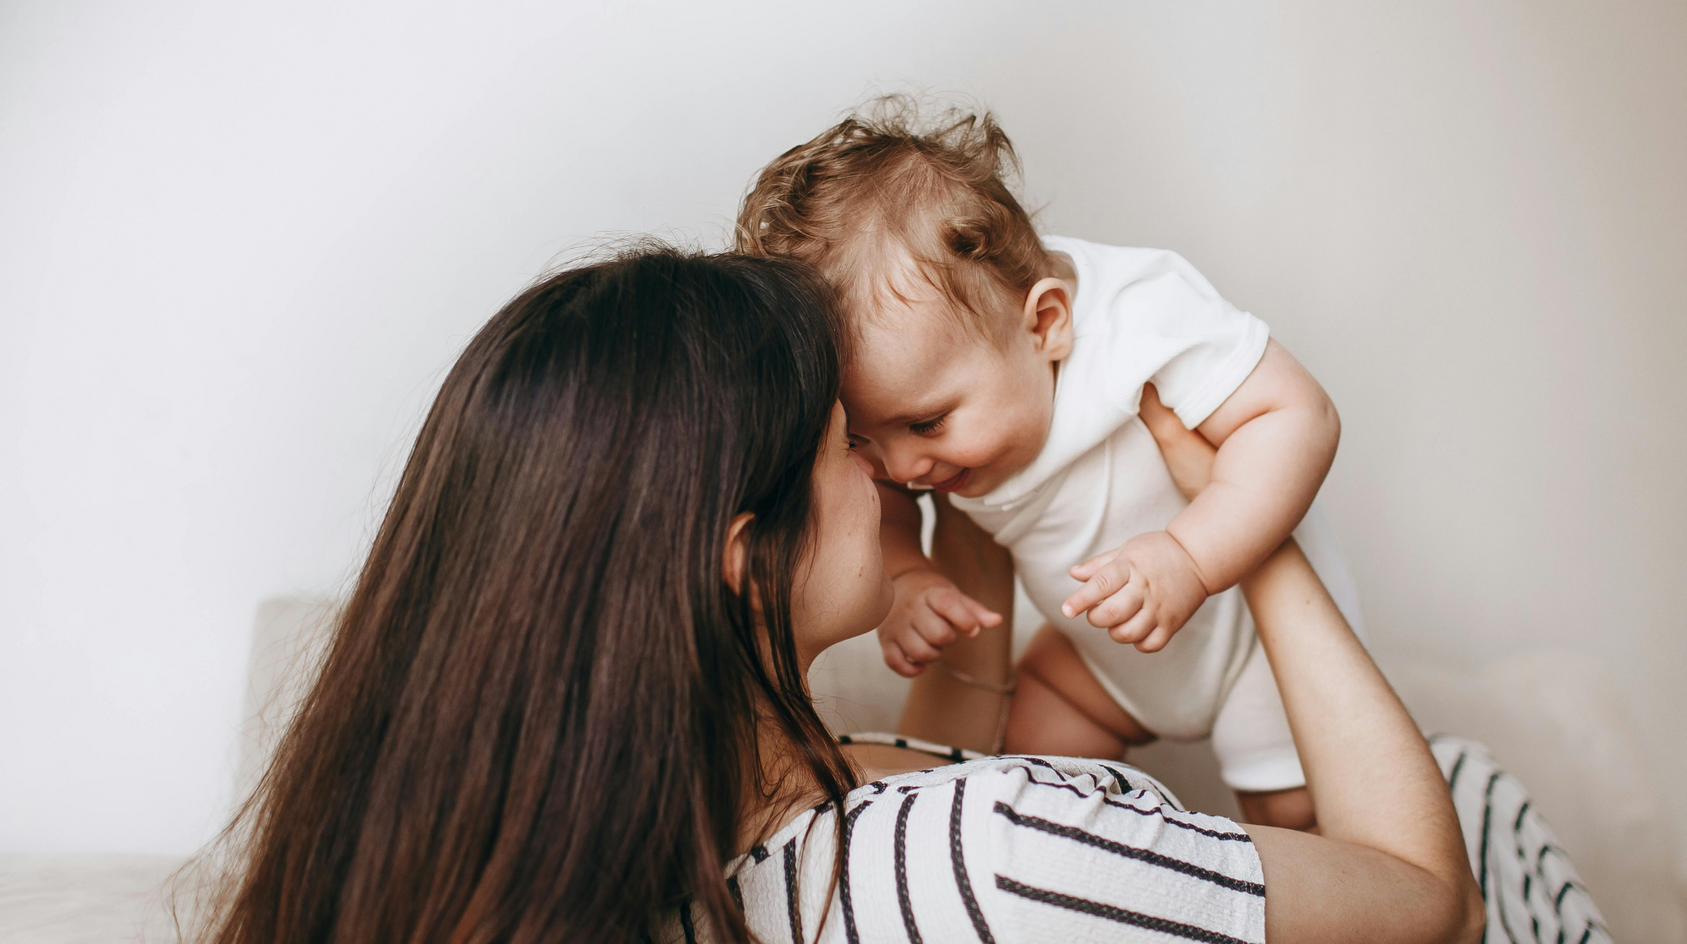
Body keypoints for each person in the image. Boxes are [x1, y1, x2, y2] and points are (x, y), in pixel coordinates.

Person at [189, 242, 1518, 944]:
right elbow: (1431, 909)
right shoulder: (991, 860)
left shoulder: (699, 833)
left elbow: (944, 775)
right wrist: (1239, 523)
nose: (894, 468)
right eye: (852, 443)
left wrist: (979, 520)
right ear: (742, 548)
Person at [735, 97, 1364, 827]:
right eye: (861, 439)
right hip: (1105, 655)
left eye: (927, 422)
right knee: (1039, 757)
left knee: (1291, 814)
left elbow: (1296, 415)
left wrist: (1191, 557)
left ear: (1046, 324)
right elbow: (889, 502)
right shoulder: (914, 417)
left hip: (1244, 633)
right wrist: (908, 573)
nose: (902, 465)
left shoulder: (1139, 316)